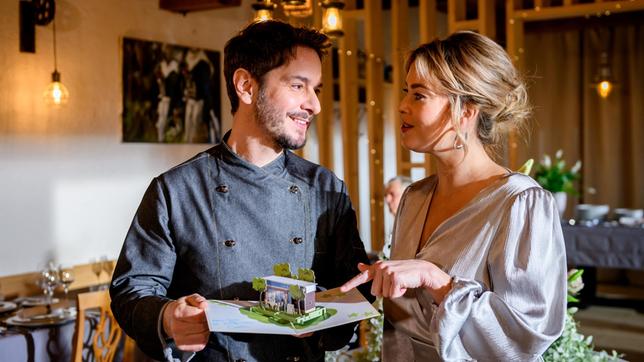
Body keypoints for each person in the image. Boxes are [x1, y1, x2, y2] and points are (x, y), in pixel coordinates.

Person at [110, 20, 370, 362]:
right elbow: (132, 291)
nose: (315, 105)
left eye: (316, 89)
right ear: (246, 86)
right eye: (298, 86)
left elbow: (353, 288)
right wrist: (168, 317)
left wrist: (327, 317)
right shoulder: (176, 190)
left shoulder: (325, 189)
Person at [341, 31, 567, 361]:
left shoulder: (520, 203)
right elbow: (401, 329)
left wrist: (437, 280)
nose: (402, 106)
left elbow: (524, 337)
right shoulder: (414, 198)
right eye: (406, 92)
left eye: (418, 96)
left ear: (466, 110)